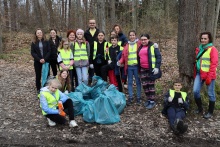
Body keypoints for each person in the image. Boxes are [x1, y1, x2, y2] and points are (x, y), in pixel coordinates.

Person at [193, 32, 218, 119]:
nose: (203, 40)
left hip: (209, 75)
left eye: (205, 38)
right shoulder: (200, 48)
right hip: (199, 74)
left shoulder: (213, 49)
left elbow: (214, 64)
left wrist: (209, 77)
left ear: (209, 39)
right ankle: (200, 108)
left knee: (211, 93)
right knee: (195, 91)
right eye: (202, 38)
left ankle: (210, 112)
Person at [137, 34, 162, 109]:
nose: (143, 41)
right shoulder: (140, 47)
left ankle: (152, 101)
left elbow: (158, 57)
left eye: (145, 39)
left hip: (151, 69)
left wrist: (157, 67)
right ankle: (148, 99)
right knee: (145, 85)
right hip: (142, 69)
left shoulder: (153, 46)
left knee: (150, 85)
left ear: (148, 39)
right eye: (142, 40)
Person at [117, 30, 141, 105]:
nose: (132, 36)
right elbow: (123, 56)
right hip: (129, 67)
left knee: (138, 82)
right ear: (128, 36)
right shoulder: (126, 45)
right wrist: (120, 62)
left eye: (133, 35)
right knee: (130, 82)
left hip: (137, 66)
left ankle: (138, 97)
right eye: (130, 35)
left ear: (135, 36)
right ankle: (130, 97)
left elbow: (147, 45)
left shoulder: (139, 44)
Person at [31, 28, 51, 94]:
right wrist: (39, 59)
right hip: (37, 61)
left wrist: (44, 59)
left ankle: (47, 87)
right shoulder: (33, 43)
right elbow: (33, 53)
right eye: (38, 33)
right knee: (38, 75)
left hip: (46, 60)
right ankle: (38, 88)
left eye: (40, 32)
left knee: (47, 74)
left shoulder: (46, 41)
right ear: (36, 34)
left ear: (42, 33)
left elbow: (49, 51)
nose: (39, 34)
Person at [84, 19, 100, 85]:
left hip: (97, 52)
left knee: (97, 67)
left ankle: (97, 82)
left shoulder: (99, 32)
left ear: (95, 24)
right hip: (89, 52)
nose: (92, 24)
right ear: (89, 24)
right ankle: (90, 81)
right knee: (90, 68)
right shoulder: (86, 33)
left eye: (93, 23)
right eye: (91, 23)